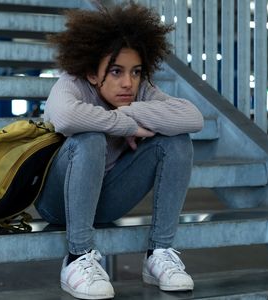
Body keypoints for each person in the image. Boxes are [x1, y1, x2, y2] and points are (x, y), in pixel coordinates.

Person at [34, 3, 204, 299]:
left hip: (106, 198)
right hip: (56, 200)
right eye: (116, 71)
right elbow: (65, 117)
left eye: (136, 72)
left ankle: (159, 253)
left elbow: (193, 118)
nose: (128, 82)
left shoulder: (138, 91)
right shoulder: (71, 84)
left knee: (176, 141)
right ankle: (77, 257)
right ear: (91, 73)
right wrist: (125, 126)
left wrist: (133, 111)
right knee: (90, 138)